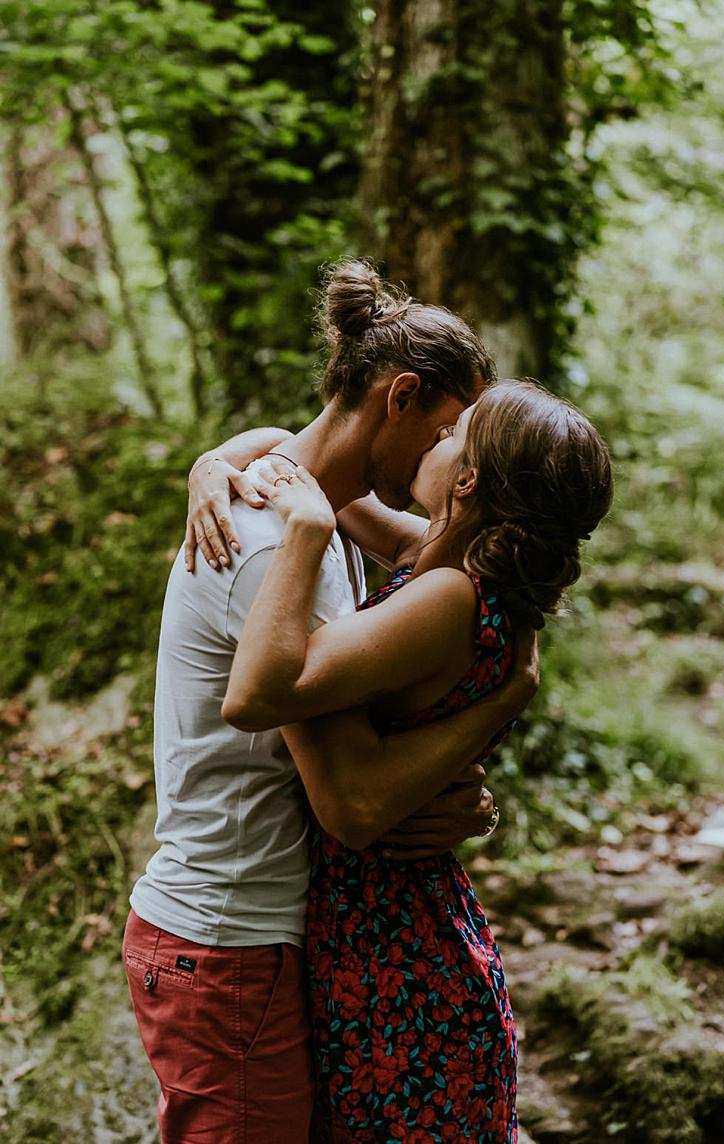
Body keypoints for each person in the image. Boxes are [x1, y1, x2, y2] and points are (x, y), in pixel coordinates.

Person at [123, 260, 526, 1141]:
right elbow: (354, 800)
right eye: (450, 433)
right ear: (401, 397)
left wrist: (459, 793)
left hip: (260, 934)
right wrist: (496, 712)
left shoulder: (320, 507)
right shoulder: (276, 547)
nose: (456, 464)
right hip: (228, 939)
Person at [216, 375, 611, 1140]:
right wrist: (211, 469)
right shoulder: (439, 568)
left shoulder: (448, 600)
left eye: (451, 436)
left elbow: (261, 690)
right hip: (397, 941)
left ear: (466, 479)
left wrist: (300, 536)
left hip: (397, 966)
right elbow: (296, 460)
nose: (436, 433)